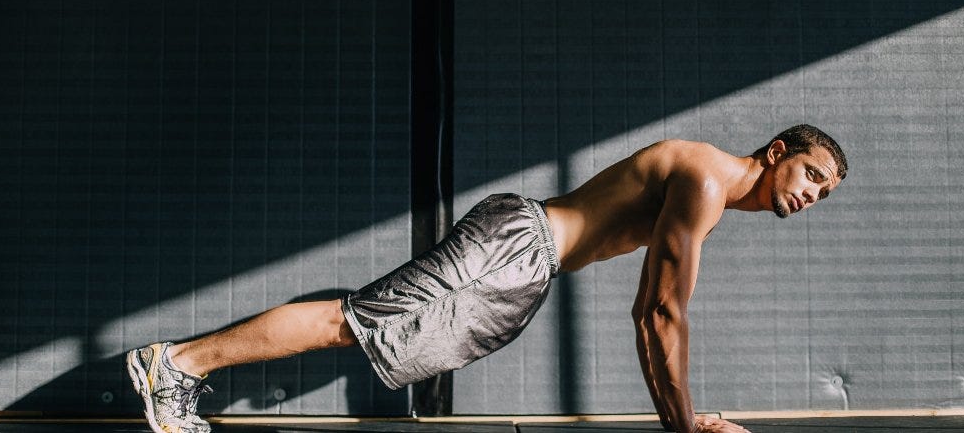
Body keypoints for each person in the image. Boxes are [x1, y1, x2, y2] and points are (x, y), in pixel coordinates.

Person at [126, 124, 847, 433]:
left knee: (359, 333)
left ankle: (180, 368)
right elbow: (658, 312)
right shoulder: (704, 179)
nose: (812, 193)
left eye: (824, 193)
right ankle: (175, 365)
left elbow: (655, 312)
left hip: (527, 267)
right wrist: (687, 429)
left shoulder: (708, 189)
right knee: (352, 323)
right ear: (778, 150)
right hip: (517, 246)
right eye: (811, 174)